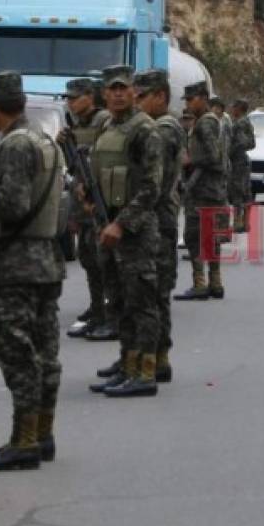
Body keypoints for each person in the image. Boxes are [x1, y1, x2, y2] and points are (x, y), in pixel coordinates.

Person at [0, 72, 66, 470]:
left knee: (18, 353)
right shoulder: (46, 140)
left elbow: (12, 206)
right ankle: (43, 432)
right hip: (46, 259)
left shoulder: (14, 146)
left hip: (16, 264)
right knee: (46, 351)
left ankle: (24, 438)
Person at [87, 65, 163, 398]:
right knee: (118, 302)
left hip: (134, 231)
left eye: (124, 88)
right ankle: (127, 363)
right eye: (112, 88)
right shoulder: (107, 125)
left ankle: (145, 372)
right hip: (107, 227)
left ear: (134, 92)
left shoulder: (144, 130)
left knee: (141, 303)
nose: (118, 93)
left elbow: (151, 187)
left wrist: (122, 223)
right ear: (104, 94)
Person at [136, 69, 183, 383]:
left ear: (161, 97)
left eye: (143, 96)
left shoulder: (163, 131)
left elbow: (152, 180)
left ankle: (155, 361)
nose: (137, 102)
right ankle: (144, 358)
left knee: (154, 292)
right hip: (157, 217)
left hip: (160, 220)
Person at [62, 78, 115, 341]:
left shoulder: (103, 121)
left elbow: (102, 162)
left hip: (98, 200)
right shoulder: (76, 126)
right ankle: (97, 308)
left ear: (89, 97)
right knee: (87, 258)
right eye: (68, 99)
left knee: (102, 259)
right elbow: (74, 169)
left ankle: (109, 311)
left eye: (74, 98)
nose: (70, 103)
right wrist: (66, 145)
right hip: (82, 203)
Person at [175, 82, 228, 301]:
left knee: (194, 236)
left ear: (203, 98)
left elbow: (213, 157)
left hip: (202, 190)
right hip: (212, 189)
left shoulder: (205, 124)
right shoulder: (210, 121)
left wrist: (189, 160)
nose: (188, 104)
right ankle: (215, 283)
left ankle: (200, 284)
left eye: (191, 99)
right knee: (211, 237)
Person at [228, 99, 256, 233]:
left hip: (237, 160)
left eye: (233, 107)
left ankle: (238, 222)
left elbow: (243, 142)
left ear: (238, 108)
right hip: (241, 160)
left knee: (237, 191)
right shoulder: (245, 122)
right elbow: (252, 143)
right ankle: (245, 222)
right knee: (245, 192)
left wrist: (229, 151)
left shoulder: (239, 124)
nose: (231, 109)